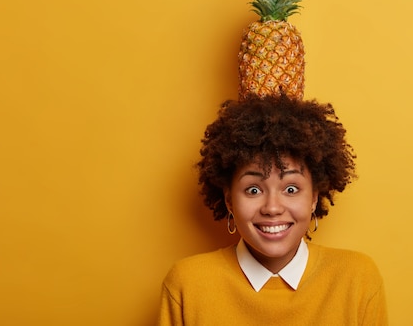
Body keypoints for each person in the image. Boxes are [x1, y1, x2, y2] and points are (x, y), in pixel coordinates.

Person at [158, 94, 387, 325]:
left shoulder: (357, 280)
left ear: (314, 198)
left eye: (290, 189)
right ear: (229, 201)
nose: (272, 208)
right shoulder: (187, 285)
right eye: (254, 190)